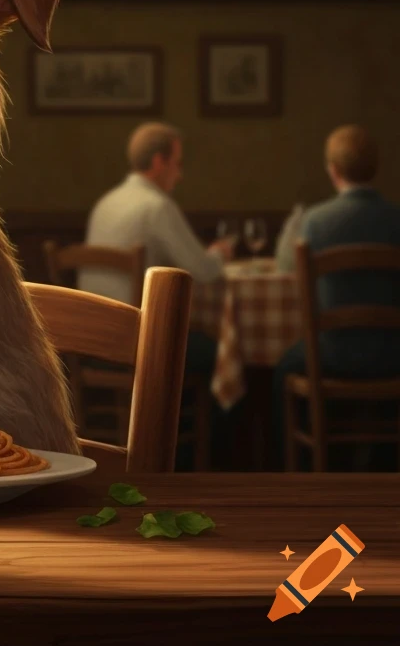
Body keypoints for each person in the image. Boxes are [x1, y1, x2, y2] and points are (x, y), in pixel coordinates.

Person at [78, 123, 235, 468]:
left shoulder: (106, 203)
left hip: (88, 348)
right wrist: (221, 253)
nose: (179, 175)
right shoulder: (156, 206)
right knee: (221, 354)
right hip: (135, 348)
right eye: (178, 164)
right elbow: (203, 271)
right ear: (160, 162)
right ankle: (209, 463)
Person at [271, 124, 400, 468]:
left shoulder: (316, 221)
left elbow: (287, 268)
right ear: (375, 167)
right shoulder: (397, 220)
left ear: (334, 170)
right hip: (393, 355)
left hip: (334, 356)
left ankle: (288, 469)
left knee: (283, 366)